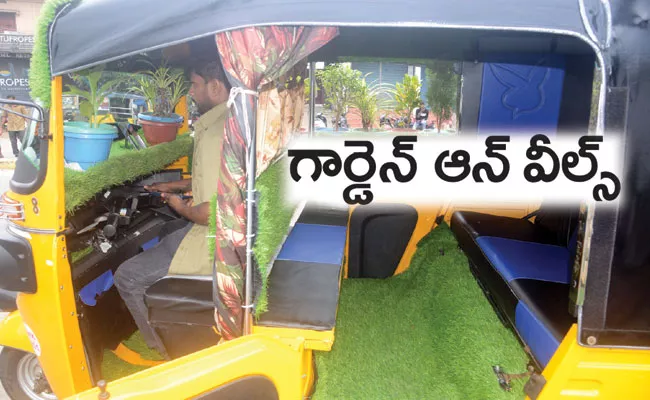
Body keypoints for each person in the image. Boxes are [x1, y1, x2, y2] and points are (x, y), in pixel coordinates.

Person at [114, 57, 231, 358]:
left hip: (210, 239)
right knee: (167, 231)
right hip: (221, 236)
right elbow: (218, 181)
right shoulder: (227, 123)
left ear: (215, 86)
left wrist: (180, 207)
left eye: (194, 85)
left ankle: (165, 352)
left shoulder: (214, 134)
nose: (191, 92)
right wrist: (175, 187)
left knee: (126, 277)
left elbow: (210, 212)